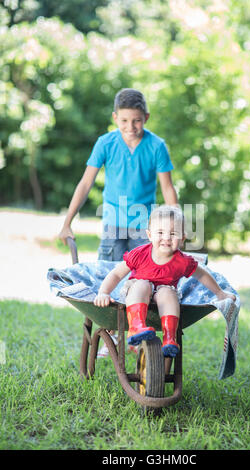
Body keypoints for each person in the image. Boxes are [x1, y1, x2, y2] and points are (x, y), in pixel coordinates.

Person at [58, 89, 178, 355]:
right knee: (110, 274)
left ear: (146, 117)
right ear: (115, 118)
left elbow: (167, 188)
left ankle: (138, 329)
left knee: (144, 277)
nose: (130, 127)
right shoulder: (105, 143)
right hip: (113, 222)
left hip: (143, 226)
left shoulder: (156, 145)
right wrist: (68, 221)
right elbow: (86, 182)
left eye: (136, 120)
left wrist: (177, 223)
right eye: (124, 121)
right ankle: (111, 333)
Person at [93, 205, 236, 357]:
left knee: (167, 291)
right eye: (160, 232)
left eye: (173, 233)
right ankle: (136, 326)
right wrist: (103, 292)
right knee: (142, 284)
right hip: (137, 294)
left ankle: (169, 337)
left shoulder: (182, 261)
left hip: (162, 297)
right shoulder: (140, 254)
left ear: (182, 238)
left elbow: (202, 275)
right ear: (149, 235)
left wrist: (220, 293)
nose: (166, 238)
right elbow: (116, 274)